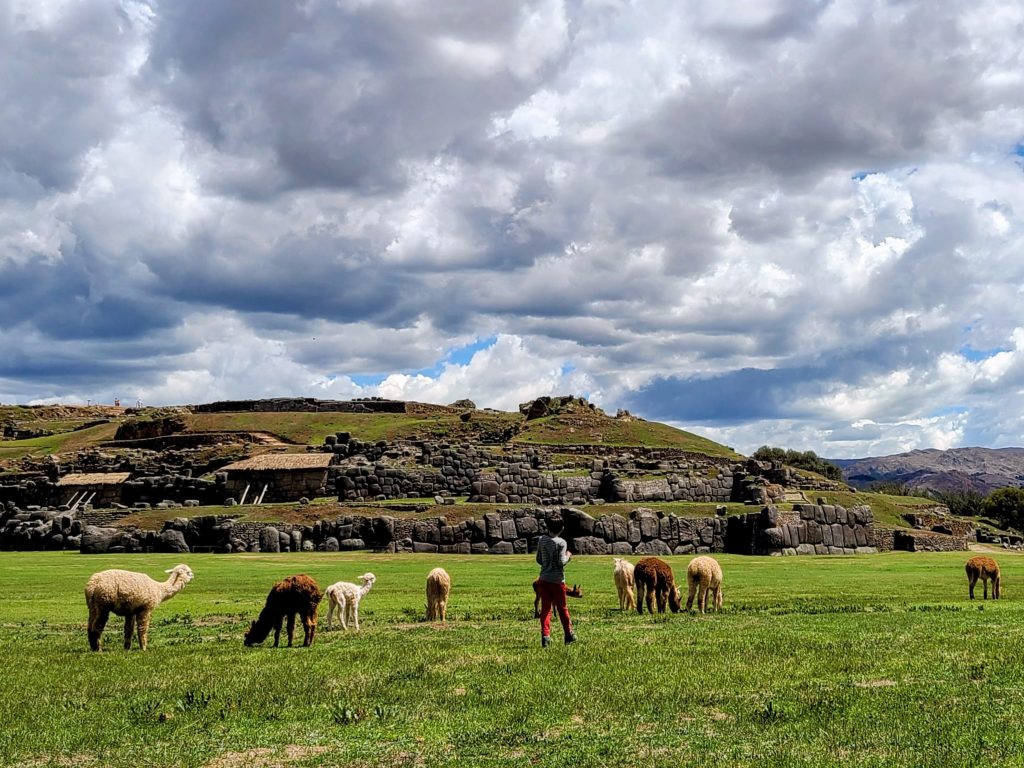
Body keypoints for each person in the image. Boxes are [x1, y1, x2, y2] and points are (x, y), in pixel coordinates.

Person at [535, 517, 577, 647]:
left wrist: (547, 564)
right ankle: (568, 634)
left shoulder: (542, 540)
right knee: (562, 608)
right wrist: (568, 556)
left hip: (543, 579)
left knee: (546, 609)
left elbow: (538, 559)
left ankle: (546, 636)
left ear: (547, 527)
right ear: (562, 529)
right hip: (557, 581)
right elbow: (561, 562)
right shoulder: (561, 543)